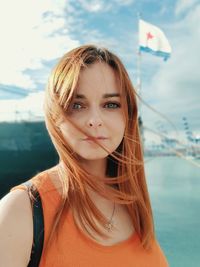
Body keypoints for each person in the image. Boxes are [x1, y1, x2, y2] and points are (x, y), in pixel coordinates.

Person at [0, 44, 168, 266]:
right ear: (55, 116)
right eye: (77, 105)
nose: (94, 120)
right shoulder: (20, 212)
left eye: (110, 104)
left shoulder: (134, 204)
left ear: (127, 115)